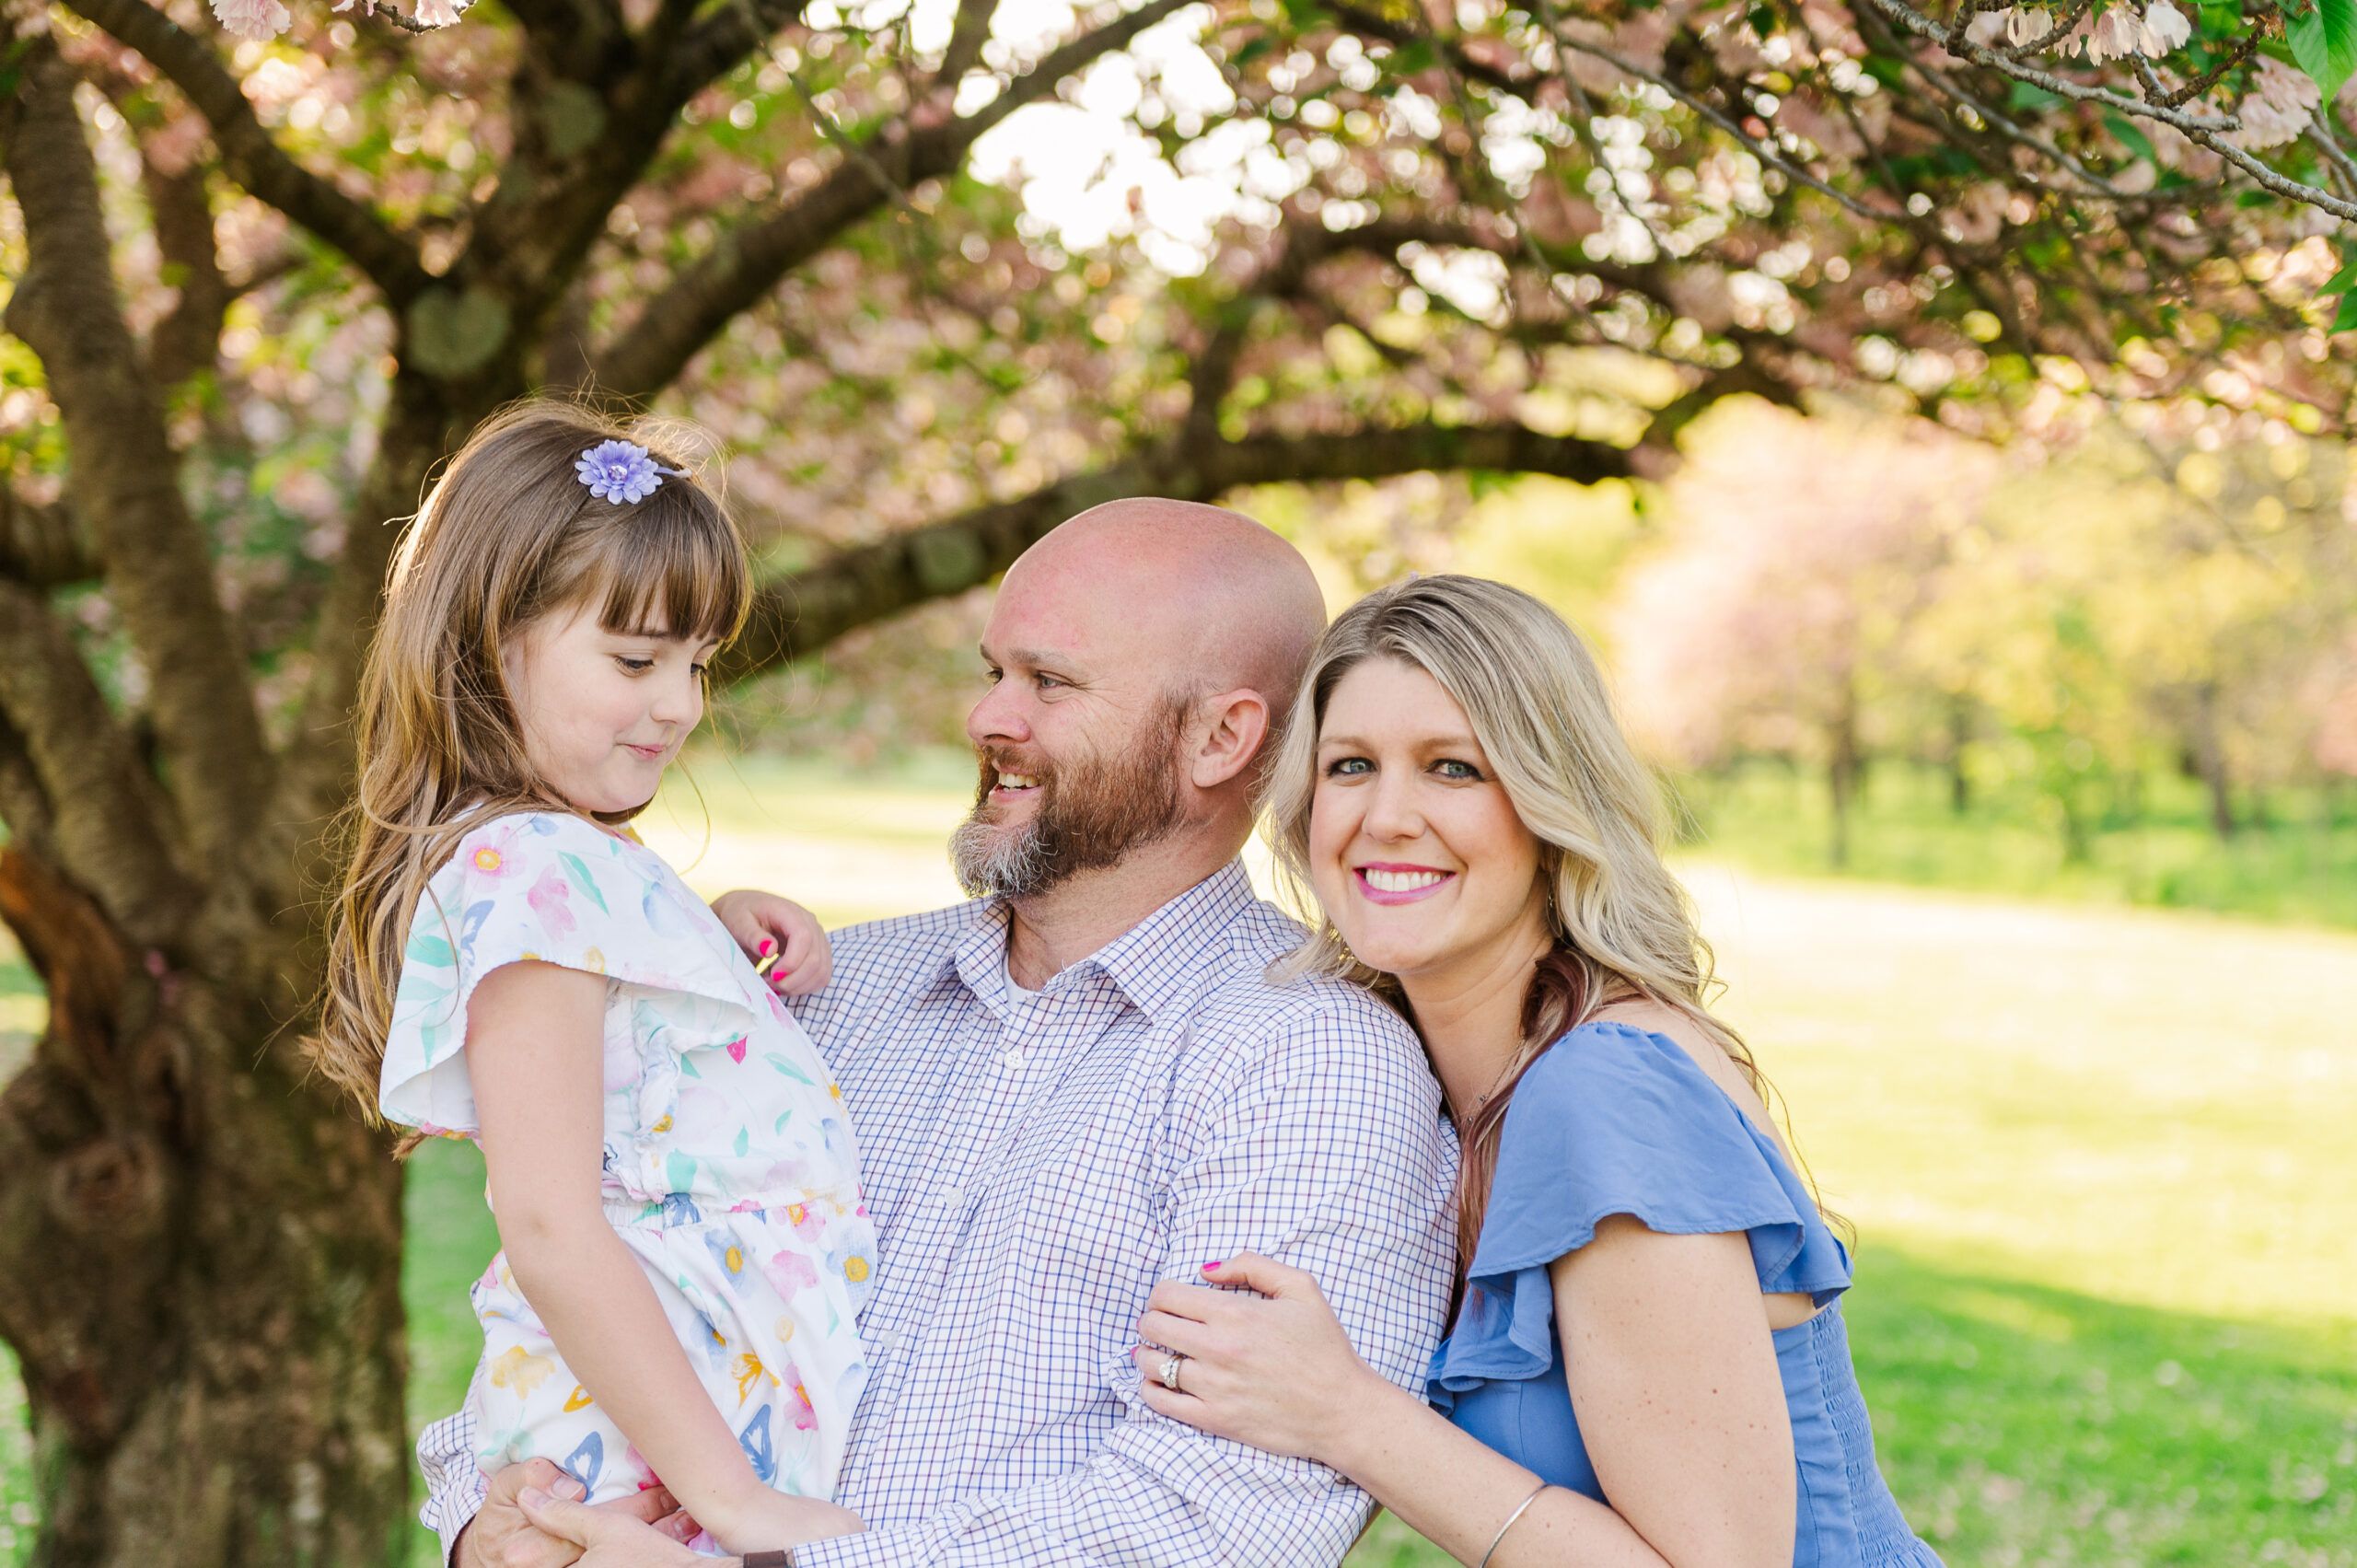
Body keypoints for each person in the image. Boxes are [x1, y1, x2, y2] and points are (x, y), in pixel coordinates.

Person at [423, 499, 1459, 1567]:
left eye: (1049, 683)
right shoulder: (821, 991)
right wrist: (492, 1523)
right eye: (992, 671)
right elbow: (576, 1271)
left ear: (1220, 737)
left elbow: (1216, 1523)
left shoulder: (1310, 1062)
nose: (987, 719)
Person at [1130, 575, 1944, 1568]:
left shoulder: (1599, 1090)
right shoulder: (1440, 1075)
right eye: (1350, 765)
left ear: (1551, 801)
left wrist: (1348, 1414)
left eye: (1452, 768)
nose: (1385, 815)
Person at [313, 404, 870, 1559]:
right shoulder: (534, 868)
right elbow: (551, 1220)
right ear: (485, 636)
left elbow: (628, 1058)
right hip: (645, 1446)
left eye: (697, 663)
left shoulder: (570, 868)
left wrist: (711, 938)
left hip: (676, 1412)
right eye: (635, 658)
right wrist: (731, 1494)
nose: (680, 704)